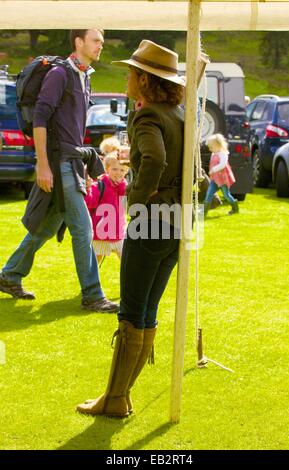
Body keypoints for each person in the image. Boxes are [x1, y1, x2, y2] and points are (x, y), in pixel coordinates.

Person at [76, 39, 185, 417]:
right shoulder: (180, 114)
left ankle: (115, 399)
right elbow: (179, 164)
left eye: (130, 72)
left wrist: (136, 200)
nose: (126, 77)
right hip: (177, 224)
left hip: (152, 222)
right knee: (146, 312)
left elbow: (155, 158)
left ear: (144, 79)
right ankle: (119, 396)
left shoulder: (149, 115)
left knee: (132, 313)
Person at [0, 29, 119, 313]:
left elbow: (74, 130)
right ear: (79, 43)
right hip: (57, 162)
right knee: (83, 229)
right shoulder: (60, 74)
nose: (101, 45)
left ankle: (9, 275)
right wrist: (42, 164)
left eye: (101, 40)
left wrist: (84, 167)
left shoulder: (85, 76)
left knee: (46, 227)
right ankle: (92, 294)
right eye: (96, 40)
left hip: (72, 162)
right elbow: (40, 118)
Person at [85, 154, 128, 265]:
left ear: (126, 171)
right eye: (114, 169)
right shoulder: (98, 186)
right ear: (107, 169)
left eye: (122, 170)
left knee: (128, 264)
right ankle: (91, 282)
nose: (118, 172)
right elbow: (89, 203)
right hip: (100, 236)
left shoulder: (124, 187)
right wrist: (88, 189)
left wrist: (122, 185)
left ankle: (133, 283)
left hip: (119, 234)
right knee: (93, 267)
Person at [203, 133, 239, 217]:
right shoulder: (213, 153)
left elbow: (222, 164)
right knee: (209, 193)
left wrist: (213, 169)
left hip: (222, 179)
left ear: (218, 145)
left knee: (226, 195)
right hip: (214, 179)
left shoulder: (223, 154)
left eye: (211, 147)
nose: (210, 149)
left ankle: (235, 208)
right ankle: (204, 212)